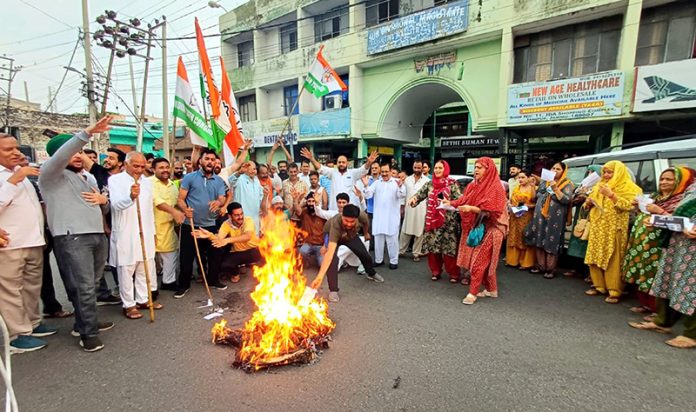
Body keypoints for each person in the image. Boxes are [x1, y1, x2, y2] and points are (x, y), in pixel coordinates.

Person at [39, 116, 115, 352]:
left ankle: (85, 321)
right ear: (59, 157)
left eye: (80, 152)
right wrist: (86, 133)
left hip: (96, 236)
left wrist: (104, 201)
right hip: (73, 238)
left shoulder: (87, 178)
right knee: (83, 286)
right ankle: (88, 333)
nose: (77, 155)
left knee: (91, 284)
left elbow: (103, 206)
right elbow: (62, 155)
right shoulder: (50, 176)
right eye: (72, 152)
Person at [0, 132, 53, 353]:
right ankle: (16, 335)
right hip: (10, 244)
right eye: (8, 150)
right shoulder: (12, 176)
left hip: (32, 240)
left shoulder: (19, 173)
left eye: (16, 148)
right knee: (10, 291)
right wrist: (14, 180)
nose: (16, 153)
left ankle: (32, 323)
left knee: (31, 287)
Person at [630, 183, 696, 349]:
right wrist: (660, 221)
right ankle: (663, 321)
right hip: (678, 244)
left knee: (691, 289)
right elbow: (680, 216)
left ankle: (691, 334)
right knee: (668, 282)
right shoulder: (692, 189)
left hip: (692, 248)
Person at [623, 167, 695, 314]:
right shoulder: (655, 196)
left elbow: (680, 221)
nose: (664, 182)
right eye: (662, 179)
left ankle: (657, 310)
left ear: (680, 182)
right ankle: (646, 305)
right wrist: (639, 208)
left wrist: (659, 211)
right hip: (643, 242)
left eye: (669, 179)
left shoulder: (681, 200)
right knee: (641, 271)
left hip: (660, 244)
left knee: (655, 275)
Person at [109, 152, 164, 319]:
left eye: (142, 166)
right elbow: (116, 205)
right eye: (136, 166)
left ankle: (143, 299)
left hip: (145, 230)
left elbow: (149, 210)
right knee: (126, 268)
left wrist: (153, 232)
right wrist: (131, 197)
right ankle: (129, 304)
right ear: (125, 164)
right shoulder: (115, 180)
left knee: (145, 267)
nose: (139, 170)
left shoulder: (147, 183)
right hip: (126, 231)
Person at [446, 157, 508, 305]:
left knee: (478, 262)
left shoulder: (496, 187)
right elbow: (464, 199)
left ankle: (472, 293)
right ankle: (492, 290)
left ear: (489, 170)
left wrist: (472, 209)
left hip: (494, 227)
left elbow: (493, 211)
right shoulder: (475, 185)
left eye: (480, 167)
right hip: (481, 226)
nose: (476, 170)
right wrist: (450, 203)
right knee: (484, 261)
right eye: (475, 167)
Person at [584, 161, 642, 304]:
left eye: (610, 172)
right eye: (605, 172)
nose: (607, 175)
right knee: (595, 255)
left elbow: (630, 206)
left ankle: (614, 290)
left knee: (613, 258)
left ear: (619, 172)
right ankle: (599, 286)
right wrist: (589, 202)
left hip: (614, 228)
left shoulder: (629, 188)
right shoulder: (599, 185)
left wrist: (612, 195)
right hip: (598, 227)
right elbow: (587, 203)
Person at [175, 148, 228, 299]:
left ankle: (213, 280)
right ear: (200, 161)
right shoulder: (190, 177)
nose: (210, 162)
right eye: (207, 159)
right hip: (190, 224)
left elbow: (222, 198)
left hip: (210, 224)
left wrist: (218, 202)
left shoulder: (218, 180)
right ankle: (183, 285)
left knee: (214, 255)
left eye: (212, 160)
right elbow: (180, 199)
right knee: (186, 257)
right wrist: (186, 210)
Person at [309, 204, 383, 303]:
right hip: (331, 235)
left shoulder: (362, 216)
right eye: (346, 220)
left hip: (350, 236)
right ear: (341, 215)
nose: (348, 223)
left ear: (357, 219)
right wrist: (319, 277)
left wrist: (366, 233)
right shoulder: (336, 224)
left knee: (364, 254)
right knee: (333, 261)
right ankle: (333, 290)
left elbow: (366, 223)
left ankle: (371, 273)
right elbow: (329, 254)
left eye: (352, 221)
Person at [409, 160, 462, 282]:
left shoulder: (452, 184)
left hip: (448, 223)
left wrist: (450, 203)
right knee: (433, 249)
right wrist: (413, 199)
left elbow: (460, 201)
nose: (437, 170)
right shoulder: (429, 184)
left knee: (449, 250)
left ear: (445, 170)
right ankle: (435, 271)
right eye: (436, 168)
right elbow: (419, 195)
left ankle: (453, 273)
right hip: (432, 223)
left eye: (440, 168)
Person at [525, 162, 574, 279]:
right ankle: (541, 266)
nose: (555, 171)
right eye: (553, 168)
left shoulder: (567, 184)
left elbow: (566, 200)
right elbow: (537, 196)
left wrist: (555, 188)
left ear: (563, 171)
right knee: (540, 238)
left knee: (552, 240)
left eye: (558, 169)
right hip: (540, 216)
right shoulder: (544, 182)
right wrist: (533, 186)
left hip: (555, 217)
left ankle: (550, 269)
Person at [198, 202, 262, 284]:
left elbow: (247, 236)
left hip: (254, 251)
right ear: (229, 216)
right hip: (238, 252)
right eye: (236, 215)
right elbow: (219, 239)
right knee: (222, 265)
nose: (240, 217)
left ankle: (244, 266)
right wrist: (209, 235)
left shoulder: (248, 220)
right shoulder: (226, 224)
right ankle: (236, 273)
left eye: (241, 213)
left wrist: (227, 240)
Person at [301, 147, 379, 210]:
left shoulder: (353, 173)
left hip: (349, 209)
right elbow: (320, 168)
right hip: (334, 209)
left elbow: (363, 169)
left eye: (343, 162)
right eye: (339, 162)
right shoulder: (333, 173)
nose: (341, 164)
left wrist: (369, 162)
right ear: (336, 164)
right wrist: (311, 158)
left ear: (347, 163)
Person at [151, 157, 185, 292]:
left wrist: (185, 210)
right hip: (151, 227)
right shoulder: (148, 183)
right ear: (153, 169)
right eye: (161, 168)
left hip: (168, 227)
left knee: (171, 254)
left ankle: (168, 281)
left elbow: (177, 202)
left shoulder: (172, 185)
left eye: (166, 167)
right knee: (149, 261)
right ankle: (150, 289)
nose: (165, 170)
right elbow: (157, 202)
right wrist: (175, 212)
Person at [364, 163, 406, 269]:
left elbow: (402, 195)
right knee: (378, 240)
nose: (384, 174)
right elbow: (368, 195)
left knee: (392, 241)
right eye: (382, 172)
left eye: (386, 171)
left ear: (390, 171)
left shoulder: (397, 183)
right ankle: (379, 260)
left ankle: (393, 261)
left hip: (391, 218)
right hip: (379, 217)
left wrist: (401, 186)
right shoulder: (376, 183)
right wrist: (366, 185)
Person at [565, 165, 602, 279]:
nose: (590, 174)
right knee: (577, 239)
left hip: (593, 219)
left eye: (593, 172)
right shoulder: (582, 186)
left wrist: (589, 197)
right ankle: (576, 268)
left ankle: (589, 273)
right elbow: (573, 201)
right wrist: (580, 193)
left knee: (588, 243)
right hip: (580, 218)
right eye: (589, 172)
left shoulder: (600, 188)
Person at [505, 170, 537, 270]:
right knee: (514, 236)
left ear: (529, 178)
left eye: (523, 177)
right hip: (515, 216)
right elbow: (511, 200)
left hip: (527, 216)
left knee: (524, 236)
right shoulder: (516, 188)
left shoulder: (534, 188)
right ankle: (512, 260)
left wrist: (529, 206)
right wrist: (510, 205)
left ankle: (525, 262)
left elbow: (536, 203)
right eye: (519, 178)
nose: (520, 179)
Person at [399, 160, 429, 262]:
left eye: (419, 168)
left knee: (419, 232)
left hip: (421, 210)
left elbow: (429, 198)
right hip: (409, 210)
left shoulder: (427, 181)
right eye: (415, 167)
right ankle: (401, 251)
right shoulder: (407, 180)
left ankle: (416, 253)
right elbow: (403, 195)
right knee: (405, 230)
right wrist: (402, 207)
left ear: (422, 168)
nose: (416, 169)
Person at [229, 161, 267, 233]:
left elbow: (261, 201)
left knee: (255, 242)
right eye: (250, 169)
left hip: (255, 220)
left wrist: (265, 195)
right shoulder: (240, 178)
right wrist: (239, 172)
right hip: (241, 219)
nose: (253, 171)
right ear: (245, 169)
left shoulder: (256, 181)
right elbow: (231, 180)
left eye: (254, 169)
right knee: (242, 241)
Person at [297, 192, 326, 268]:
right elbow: (297, 209)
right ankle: (306, 263)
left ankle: (319, 259)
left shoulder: (322, 214)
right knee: (302, 251)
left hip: (319, 245)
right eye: (309, 201)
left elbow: (327, 232)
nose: (311, 203)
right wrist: (296, 199)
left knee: (322, 265)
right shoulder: (304, 213)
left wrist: (325, 245)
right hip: (308, 243)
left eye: (313, 201)